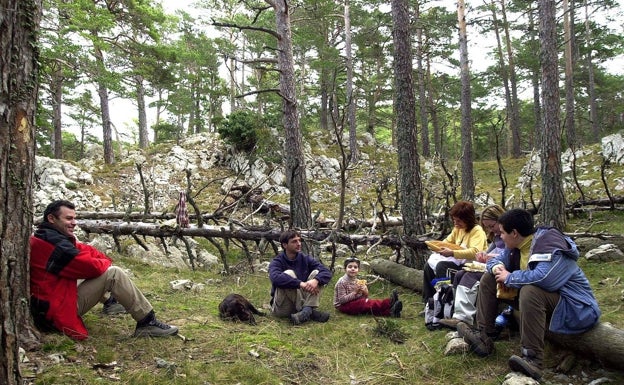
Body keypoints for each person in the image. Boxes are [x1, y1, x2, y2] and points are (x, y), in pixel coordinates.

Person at [457, 209, 601, 380]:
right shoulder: (518, 246)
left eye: (502, 233)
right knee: (490, 277)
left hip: (576, 307)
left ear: (515, 233)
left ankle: (533, 359)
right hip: (550, 304)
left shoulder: (550, 247)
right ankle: (485, 336)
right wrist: (497, 268)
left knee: (530, 290)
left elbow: (544, 278)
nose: (500, 237)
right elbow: (496, 260)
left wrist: (510, 277)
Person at [30, 200, 179, 340]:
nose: (74, 223)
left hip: (51, 304)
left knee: (96, 268)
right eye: (68, 218)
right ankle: (147, 321)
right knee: (113, 273)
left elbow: (83, 249)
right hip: (55, 313)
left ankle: (111, 302)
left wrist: (99, 260)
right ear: (51, 218)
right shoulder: (54, 245)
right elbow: (91, 267)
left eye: (74, 218)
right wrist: (104, 262)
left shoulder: (46, 236)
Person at [439, 204, 506, 329]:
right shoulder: (496, 236)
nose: (491, 230)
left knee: (470, 277)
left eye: (492, 226)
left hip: (502, 270)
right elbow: (488, 252)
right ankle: (454, 311)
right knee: (459, 275)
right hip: (491, 266)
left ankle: (463, 318)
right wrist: (483, 256)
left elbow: (508, 254)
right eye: (488, 227)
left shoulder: (507, 234)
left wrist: (492, 258)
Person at [422, 201, 488, 304]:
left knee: (442, 266)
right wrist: (437, 247)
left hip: (470, 266)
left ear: (468, 219)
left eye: (459, 221)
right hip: (458, 262)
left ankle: (445, 301)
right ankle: (429, 302)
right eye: (454, 220)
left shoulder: (477, 231)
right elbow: (447, 242)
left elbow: (475, 251)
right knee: (428, 266)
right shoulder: (458, 229)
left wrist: (452, 253)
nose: (456, 223)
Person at [269, 230, 332, 325]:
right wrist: (300, 284)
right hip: (283, 307)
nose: (298, 244)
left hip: (299, 300)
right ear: (285, 245)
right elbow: (275, 278)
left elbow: (326, 272)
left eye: (299, 240)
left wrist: (316, 280)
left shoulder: (305, 258)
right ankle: (309, 310)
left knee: (317, 273)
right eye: (294, 241)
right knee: (288, 274)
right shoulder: (277, 261)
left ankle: (305, 312)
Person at [334, 256, 402, 317]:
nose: (353, 269)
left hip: (354, 302)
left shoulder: (357, 281)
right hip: (343, 306)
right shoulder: (342, 282)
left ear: (358, 270)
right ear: (345, 269)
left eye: (355, 267)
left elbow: (363, 298)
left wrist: (365, 292)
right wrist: (355, 292)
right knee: (364, 303)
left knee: (368, 303)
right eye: (350, 267)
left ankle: (391, 312)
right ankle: (389, 303)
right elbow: (342, 300)